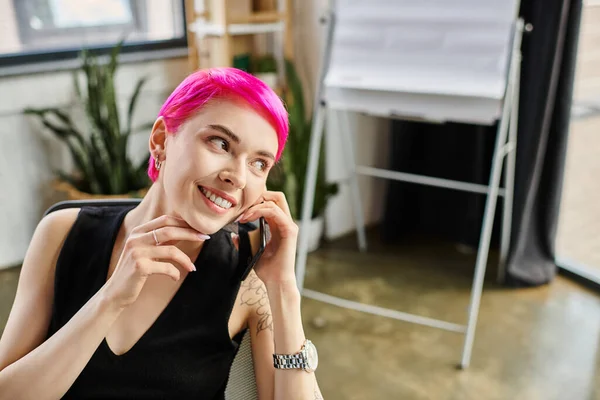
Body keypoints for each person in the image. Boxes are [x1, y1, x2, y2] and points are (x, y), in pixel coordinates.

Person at [0, 68, 323, 399]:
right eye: (220, 142)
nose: (238, 177)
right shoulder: (64, 232)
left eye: (259, 164)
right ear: (160, 140)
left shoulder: (249, 273)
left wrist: (284, 288)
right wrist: (110, 299)